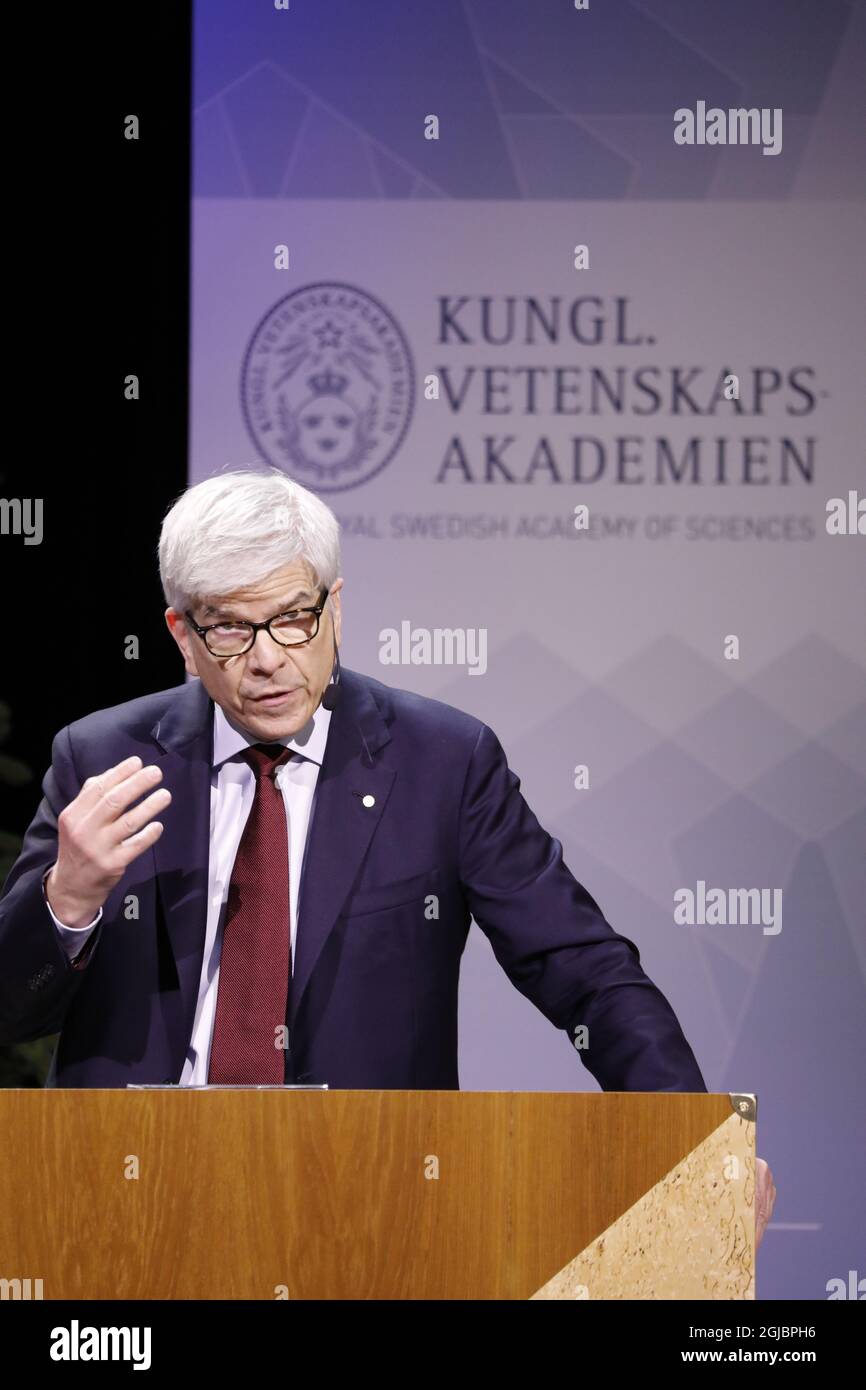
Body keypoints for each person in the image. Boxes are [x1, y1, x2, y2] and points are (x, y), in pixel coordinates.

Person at [0, 468, 775, 1240]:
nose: (267, 658)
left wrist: (693, 1139)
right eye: (231, 628)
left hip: (371, 1201)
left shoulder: (443, 761)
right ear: (182, 635)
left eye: (293, 618)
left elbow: (587, 974)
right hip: (131, 1198)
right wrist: (67, 898)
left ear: (335, 606)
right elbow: (11, 1006)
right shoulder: (103, 757)